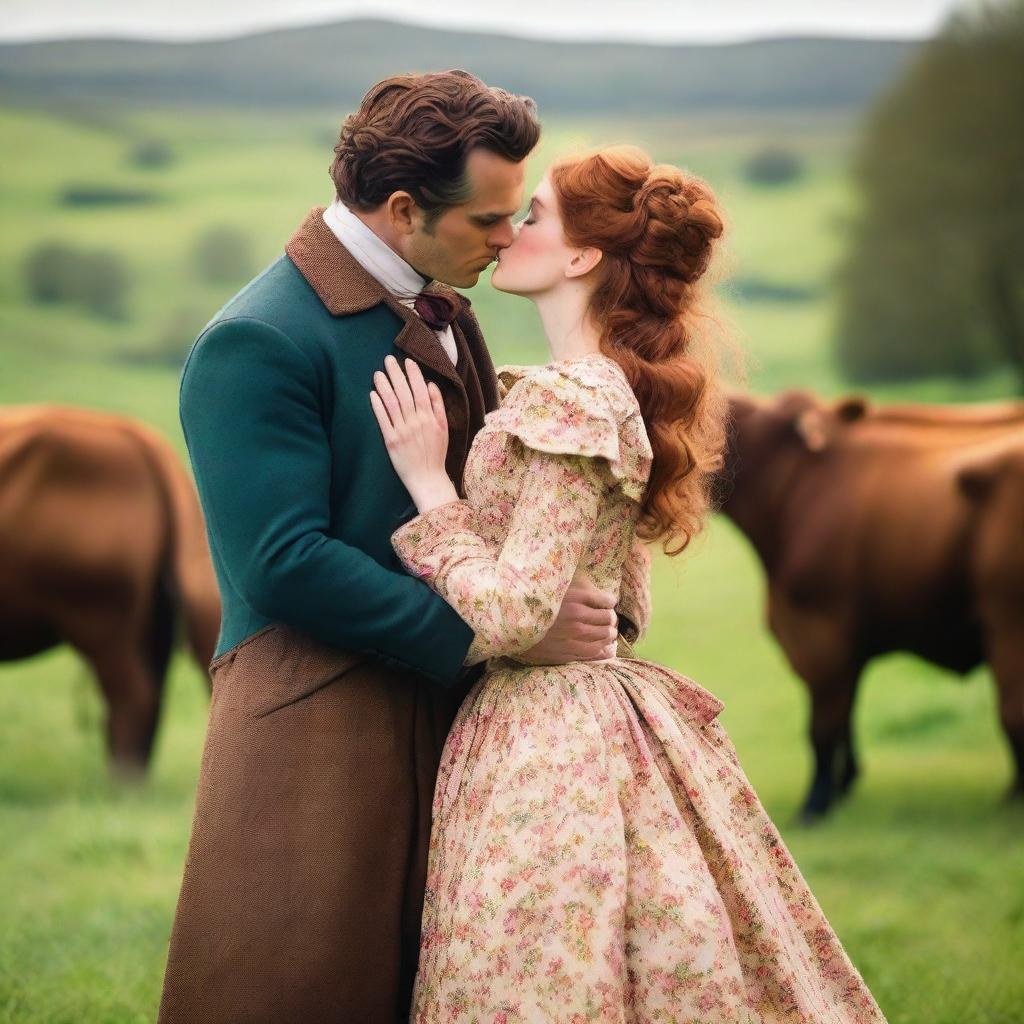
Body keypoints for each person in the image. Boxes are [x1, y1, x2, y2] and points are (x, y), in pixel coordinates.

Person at [158, 71, 640, 1024]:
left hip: (443, 709)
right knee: (298, 994)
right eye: (489, 222)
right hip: (315, 725)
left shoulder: (440, 303)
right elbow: (282, 562)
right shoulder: (254, 341)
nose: (510, 240)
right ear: (403, 207)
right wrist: (494, 635)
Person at [369, 146, 889, 1022]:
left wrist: (431, 492)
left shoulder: (572, 398)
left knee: (532, 982)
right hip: (581, 720)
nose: (506, 232)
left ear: (581, 258)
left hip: (546, 743)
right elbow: (623, 603)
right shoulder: (603, 390)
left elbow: (511, 613)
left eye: (530, 216)